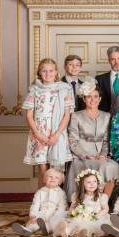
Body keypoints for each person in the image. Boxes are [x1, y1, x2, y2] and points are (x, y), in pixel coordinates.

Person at [23, 58, 74, 188]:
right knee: (42, 169)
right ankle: (42, 199)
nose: (48, 74)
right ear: (39, 72)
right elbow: (29, 116)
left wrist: (56, 135)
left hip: (57, 132)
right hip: (39, 133)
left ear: (56, 72)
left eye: (51, 71)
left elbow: (66, 115)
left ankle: (55, 200)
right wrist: (38, 134)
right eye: (44, 71)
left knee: (55, 170)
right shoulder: (34, 90)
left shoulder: (64, 89)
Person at [67, 81, 119, 199]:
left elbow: (106, 140)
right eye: (89, 97)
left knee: (113, 166)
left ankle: (104, 202)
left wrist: (103, 154)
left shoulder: (106, 116)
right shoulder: (76, 116)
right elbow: (72, 141)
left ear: (100, 98)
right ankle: (96, 201)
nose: (93, 100)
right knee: (106, 167)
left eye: (96, 96)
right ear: (84, 99)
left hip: (100, 157)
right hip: (82, 158)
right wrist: (86, 155)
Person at [55, 169, 109, 237]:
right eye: (89, 182)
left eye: (94, 181)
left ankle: (80, 233)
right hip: (80, 216)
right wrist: (71, 213)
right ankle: (65, 231)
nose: (92, 184)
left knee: (92, 226)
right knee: (73, 222)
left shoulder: (101, 196)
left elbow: (106, 209)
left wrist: (97, 216)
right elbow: (72, 207)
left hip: (94, 217)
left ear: (97, 183)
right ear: (82, 184)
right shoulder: (77, 195)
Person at [12, 168, 67, 237]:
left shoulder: (61, 193)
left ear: (60, 182)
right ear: (44, 180)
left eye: (56, 178)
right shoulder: (40, 191)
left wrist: (55, 217)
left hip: (54, 214)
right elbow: (35, 205)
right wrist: (33, 215)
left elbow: (62, 207)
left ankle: (46, 229)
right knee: (34, 222)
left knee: (54, 222)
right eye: (50, 177)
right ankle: (27, 230)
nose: (53, 179)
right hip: (42, 213)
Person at [96, 46, 119, 115]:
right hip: (104, 116)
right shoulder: (100, 79)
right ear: (109, 61)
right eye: (113, 59)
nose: (116, 62)